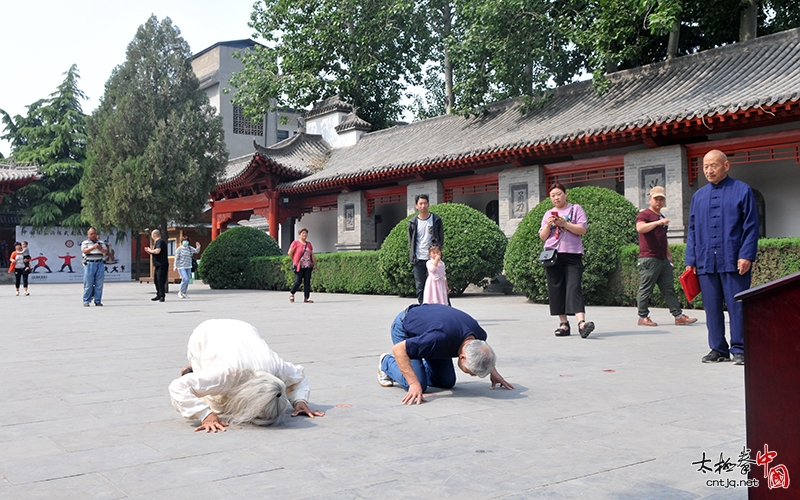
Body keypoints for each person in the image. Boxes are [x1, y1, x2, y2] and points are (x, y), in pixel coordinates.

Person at [168, 319, 324, 433]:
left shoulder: (277, 368)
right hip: (206, 333)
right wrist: (205, 414)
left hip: (244, 328)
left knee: (222, 396)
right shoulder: (228, 375)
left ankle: (196, 377)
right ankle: (195, 374)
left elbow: (298, 375)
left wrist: (299, 400)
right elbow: (177, 387)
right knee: (218, 405)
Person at [686, 150, 758, 366]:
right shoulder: (698, 196)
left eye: (714, 166)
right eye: (706, 166)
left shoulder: (742, 190)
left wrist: (746, 255)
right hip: (706, 260)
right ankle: (718, 348)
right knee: (712, 306)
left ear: (726, 166)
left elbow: (751, 226)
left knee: (737, 305)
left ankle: (740, 348)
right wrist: (691, 260)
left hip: (734, 259)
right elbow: (692, 230)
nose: (709, 170)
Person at [377, 304, 514, 405]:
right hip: (405, 327)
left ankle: (419, 365)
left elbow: (482, 350)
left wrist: (492, 370)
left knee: (446, 382)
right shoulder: (438, 338)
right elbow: (399, 350)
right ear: (462, 357)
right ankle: (386, 362)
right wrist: (413, 383)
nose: (472, 375)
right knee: (419, 384)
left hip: (431, 333)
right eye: (471, 372)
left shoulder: (479, 336)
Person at [538, 183, 595, 338]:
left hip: (572, 254)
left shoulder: (576, 209)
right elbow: (543, 237)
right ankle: (563, 324)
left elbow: (582, 230)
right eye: (553, 196)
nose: (556, 198)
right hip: (552, 254)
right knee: (556, 289)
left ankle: (582, 323)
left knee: (574, 287)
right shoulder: (548, 213)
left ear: (565, 194)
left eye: (558, 194)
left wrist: (565, 224)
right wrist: (549, 225)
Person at [636, 186, 697, 327]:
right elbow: (640, 228)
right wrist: (658, 223)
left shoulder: (661, 216)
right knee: (646, 288)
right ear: (649, 199)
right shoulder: (644, 214)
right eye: (656, 198)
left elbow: (663, 239)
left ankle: (678, 315)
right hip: (649, 258)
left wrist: (668, 255)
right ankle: (642, 316)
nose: (659, 201)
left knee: (669, 288)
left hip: (662, 259)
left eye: (661, 199)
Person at [408, 194, 444, 304]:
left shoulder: (435, 219)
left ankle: (445, 310)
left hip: (433, 259)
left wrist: (437, 254)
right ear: (416, 206)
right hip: (419, 257)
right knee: (420, 287)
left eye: (425, 203)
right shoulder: (413, 222)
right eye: (420, 204)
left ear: (428, 204)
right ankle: (423, 310)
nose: (423, 206)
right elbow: (411, 240)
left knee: (439, 284)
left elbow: (440, 238)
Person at [288, 228, 317, 303]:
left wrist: (315, 264)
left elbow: (311, 255)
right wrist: (294, 261)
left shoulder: (309, 244)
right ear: (299, 234)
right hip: (299, 266)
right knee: (298, 281)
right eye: (303, 233)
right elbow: (290, 253)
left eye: (306, 233)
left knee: (307, 282)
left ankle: (306, 298)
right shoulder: (295, 243)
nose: (305, 234)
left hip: (308, 266)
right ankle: (292, 293)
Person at [81, 228, 108, 306]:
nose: (93, 235)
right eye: (91, 234)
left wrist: (100, 248)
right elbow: (85, 251)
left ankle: (97, 300)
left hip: (99, 263)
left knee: (99, 283)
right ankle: (86, 300)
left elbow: (105, 251)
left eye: (94, 234)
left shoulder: (101, 242)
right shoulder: (85, 242)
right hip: (89, 263)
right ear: (88, 234)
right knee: (88, 283)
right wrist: (93, 247)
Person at [145, 229, 168, 302]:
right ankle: (158, 294)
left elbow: (157, 251)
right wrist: (151, 251)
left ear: (154, 235)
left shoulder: (160, 241)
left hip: (162, 264)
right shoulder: (157, 242)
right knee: (156, 280)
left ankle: (162, 296)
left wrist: (150, 251)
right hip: (157, 264)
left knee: (160, 280)